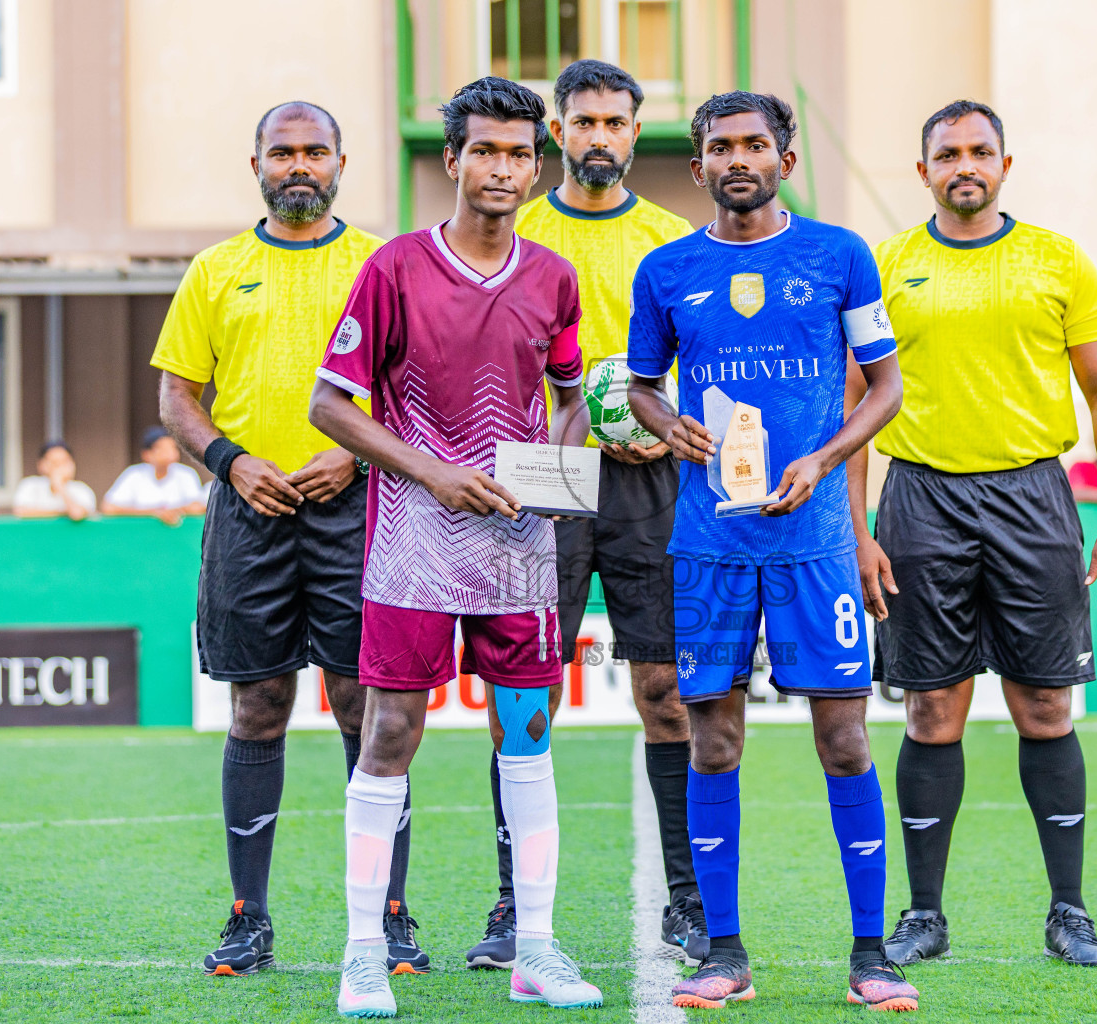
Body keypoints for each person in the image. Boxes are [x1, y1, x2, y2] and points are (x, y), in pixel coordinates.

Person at [309, 76, 604, 1016]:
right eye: (486, 149)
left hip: (517, 554)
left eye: (520, 153)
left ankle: (536, 949)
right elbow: (328, 407)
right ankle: (364, 953)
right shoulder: (394, 267)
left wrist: (555, 477)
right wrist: (430, 472)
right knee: (391, 732)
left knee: (527, 739)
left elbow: (566, 396)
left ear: (538, 162)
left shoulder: (553, 277)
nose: (503, 168)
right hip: (413, 545)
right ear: (453, 159)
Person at [628, 91, 916, 1012]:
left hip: (815, 542)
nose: (737, 158)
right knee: (712, 740)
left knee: (842, 736)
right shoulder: (665, 270)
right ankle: (724, 953)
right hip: (710, 543)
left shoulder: (839, 255)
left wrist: (825, 461)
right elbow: (638, 387)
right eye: (720, 146)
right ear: (698, 165)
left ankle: (872, 954)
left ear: (785, 160)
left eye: (755, 144)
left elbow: (886, 386)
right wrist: (669, 423)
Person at [850, 99, 1097, 970]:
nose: (964, 164)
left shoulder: (1058, 259)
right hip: (920, 500)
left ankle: (1070, 914)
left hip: (1035, 498)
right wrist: (857, 529)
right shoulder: (888, 266)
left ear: (1006, 165)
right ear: (923, 170)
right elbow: (856, 404)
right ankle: (924, 916)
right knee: (932, 708)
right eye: (948, 153)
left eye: (980, 151)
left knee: (1045, 706)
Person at [450, 58, 706, 970]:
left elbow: (701, 362)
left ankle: (689, 901)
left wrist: (666, 424)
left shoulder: (677, 239)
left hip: (649, 481)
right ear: (557, 131)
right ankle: (512, 905)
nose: (598, 137)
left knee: (665, 690)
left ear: (638, 134)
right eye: (583, 121)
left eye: (616, 123)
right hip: (537, 474)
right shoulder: (510, 234)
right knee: (524, 694)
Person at [150, 101, 408, 977]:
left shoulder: (383, 263)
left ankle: (389, 917)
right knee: (257, 705)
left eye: (315, 151)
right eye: (282, 151)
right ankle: (247, 917)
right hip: (248, 509)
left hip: (360, 505)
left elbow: (415, 387)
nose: (299, 164)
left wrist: (355, 455)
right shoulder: (216, 269)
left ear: (343, 161)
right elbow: (178, 398)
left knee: (363, 705)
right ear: (255, 162)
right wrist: (230, 461)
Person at [102, 426, 207, 525]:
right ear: (147, 454)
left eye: (172, 447)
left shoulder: (186, 474)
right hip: (142, 536)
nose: (169, 453)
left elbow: (199, 507)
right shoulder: (134, 475)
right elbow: (109, 508)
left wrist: (172, 512)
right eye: (162, 448)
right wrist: (154, 513)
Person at [13, 441, 96, 520]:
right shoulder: (30, 485)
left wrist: (60, 486)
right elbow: (21, 512)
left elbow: (77, 513)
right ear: (41, 465)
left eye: (64, 462)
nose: (60, 467)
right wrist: (63, 513)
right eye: (54, 462)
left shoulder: (82, 489)